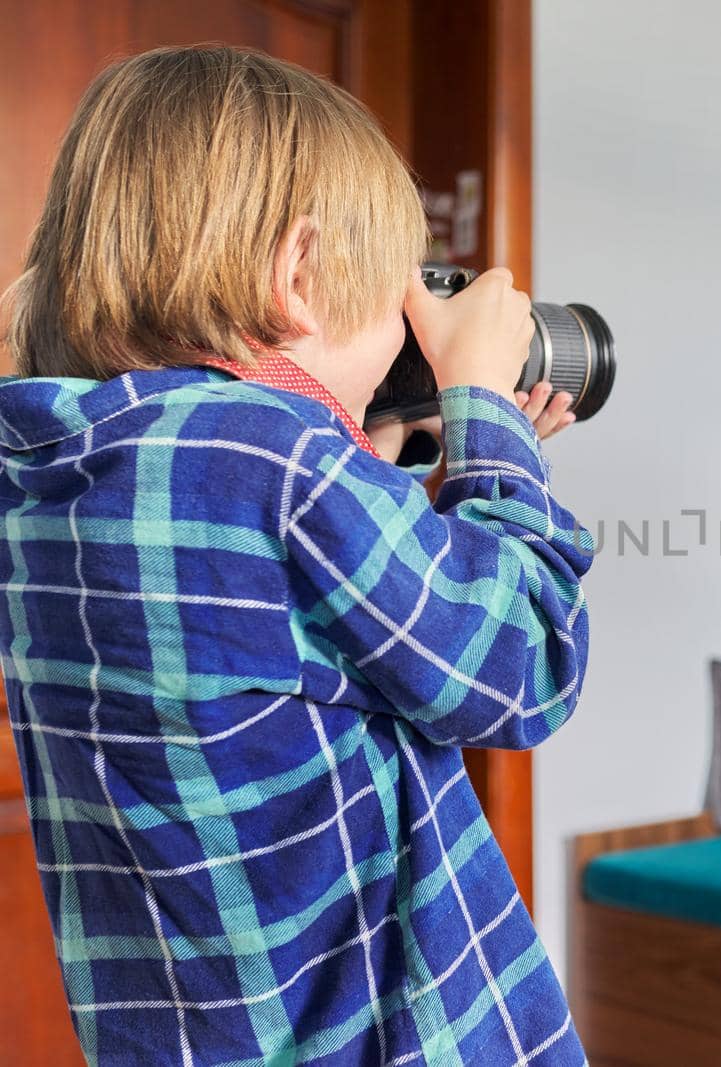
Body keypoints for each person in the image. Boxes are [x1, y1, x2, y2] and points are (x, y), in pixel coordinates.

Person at [0, 47, 590, 1064]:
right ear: (300, 273)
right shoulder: (277, 461)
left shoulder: (40, 467)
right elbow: (521, 661)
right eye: (394, 297)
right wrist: (486, 417)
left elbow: (265, 635)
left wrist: (372, 472)